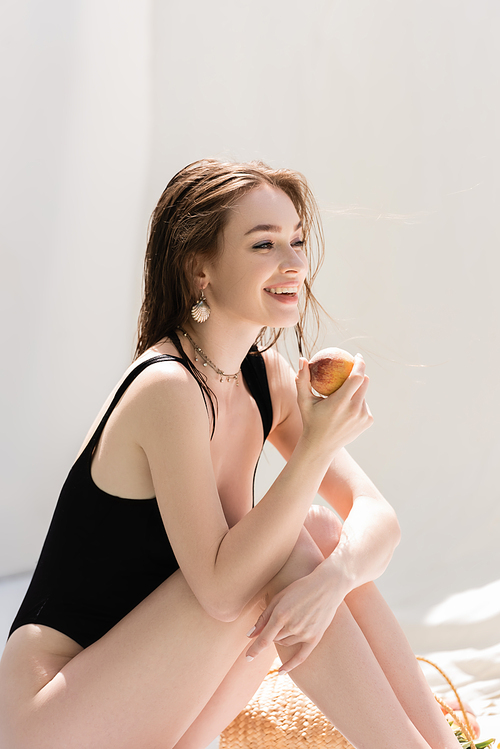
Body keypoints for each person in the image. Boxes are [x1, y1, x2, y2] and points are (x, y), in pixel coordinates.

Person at [0, 159, 462, 749]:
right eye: (263, 244)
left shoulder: (264, 379)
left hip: (168, 693)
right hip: (62, 713)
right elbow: (220, 590)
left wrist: (334, 581)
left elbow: (377, 519)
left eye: (296, 240)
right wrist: (317, 446)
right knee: (286, 543)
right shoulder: (167, 387)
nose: (293, 261)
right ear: (201, 268)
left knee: (317, 530)